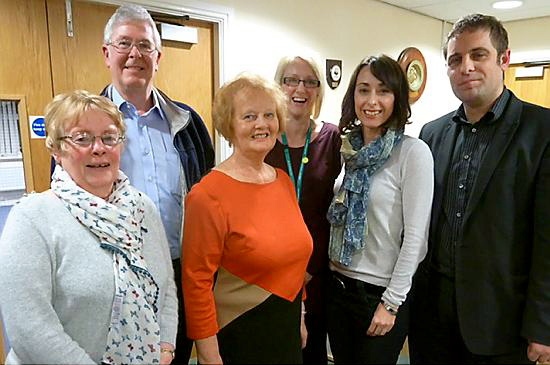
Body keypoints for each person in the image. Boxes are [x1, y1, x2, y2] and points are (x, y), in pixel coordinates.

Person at [408, 13, 550, 364]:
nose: (465, 67)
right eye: (455, 59)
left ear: (504, 59)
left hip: (501, 322)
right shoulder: (431, 134)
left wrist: (543, 327)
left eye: (478, 55)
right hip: (432, 316)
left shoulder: (542, 131)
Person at [0, 90, 178, 364]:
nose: (99, 148)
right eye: (82, 138)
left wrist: (165, 347)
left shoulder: (142, 208)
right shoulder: (32, 218)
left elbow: (165, 289)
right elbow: (29, 328)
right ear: (57, 150)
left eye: (109, 137)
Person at [101, 4, 215, 363]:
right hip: (113, 277)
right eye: (123, 44)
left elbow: (208, 193)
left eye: (145, 45)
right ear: (107, 54)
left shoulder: (188, 122)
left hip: (178, 276)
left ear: (158, 56)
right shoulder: (86, 122)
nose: (135, 54)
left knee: (175, 356)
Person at [182, 73, 313, 364]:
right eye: (249, 116)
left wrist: (300, 316)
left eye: (269, 115)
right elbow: (197, 282)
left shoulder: (282, 181)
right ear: (229, 125)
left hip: (286, 324)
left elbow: (295, 256)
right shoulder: (207, 195)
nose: (261, 124)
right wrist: (207, 352)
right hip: (241, 331)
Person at [326, 55, 434, 364]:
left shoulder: (412, 153)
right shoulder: (347, 149)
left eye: (383, 90)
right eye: (364, 89)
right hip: (338, 287)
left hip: (380, 295)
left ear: (397, 97)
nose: (372, 100)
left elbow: (416, 240)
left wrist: (391, 303)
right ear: (353, 96)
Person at [265, 55, 341, 364]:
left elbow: (334, 210)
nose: (301, 88)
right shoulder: (262, 136)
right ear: (278, 85)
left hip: (316, 270)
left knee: (311, 352)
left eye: (310, 82)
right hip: (268, 270)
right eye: (291, 80)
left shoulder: (332, 138)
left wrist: (310, 268)